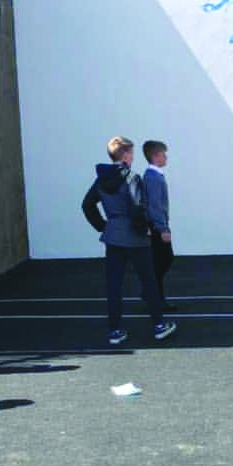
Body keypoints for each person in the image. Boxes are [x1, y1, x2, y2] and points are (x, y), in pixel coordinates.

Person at [81, 136, 177, 347]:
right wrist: (146, 230)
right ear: (125, 155)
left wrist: (103, 226)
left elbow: (87, 205)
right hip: (135, 238)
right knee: (149, 282)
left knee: (114, 286)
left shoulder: (101, 179)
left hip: (113, 237)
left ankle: (115, 331)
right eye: (131, 153)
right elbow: (137, 207)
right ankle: (159, 326)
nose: (133, 157)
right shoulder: (132, 178)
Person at [142, 139, 174, 309]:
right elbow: (155, 205)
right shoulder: (153, 177)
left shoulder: (155, 175)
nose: (166, 157)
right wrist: (163, 229)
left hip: (156, 226)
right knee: (164, 260)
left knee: (160, 262)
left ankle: (155, 297)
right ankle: (152, 295)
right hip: (157, 227)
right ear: (155, 156)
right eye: (163, 154)